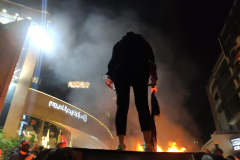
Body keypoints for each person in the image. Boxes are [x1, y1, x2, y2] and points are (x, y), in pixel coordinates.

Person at [105, 31, 158, 152]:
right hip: (140, 72)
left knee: (121, 107)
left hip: (121, 73)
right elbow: (152, 62)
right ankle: (148, 145)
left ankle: (120, 145)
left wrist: (108, 76)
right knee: (143, 105)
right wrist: (154, 80)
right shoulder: (143, 43)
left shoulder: (119, 44)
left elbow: (112, 63)